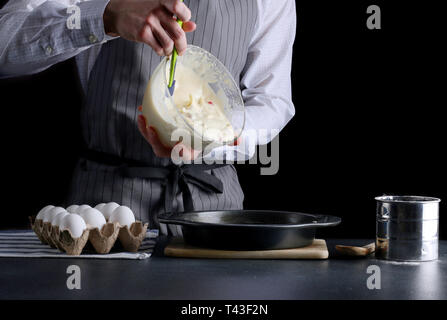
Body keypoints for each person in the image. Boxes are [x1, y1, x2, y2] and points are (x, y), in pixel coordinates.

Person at [0, 0, 296, 235]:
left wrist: (214, 139)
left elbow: (272, 99)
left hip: (217, 214)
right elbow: (5, 43)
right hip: (102, 214)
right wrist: (105, 17)